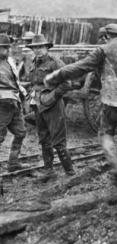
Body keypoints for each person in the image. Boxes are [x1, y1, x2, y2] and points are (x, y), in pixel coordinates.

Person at [44, 24, 117, 191]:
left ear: (107, 36)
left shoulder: (103, 50)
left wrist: (54, 76)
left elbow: (79, 67)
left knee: (105, 134)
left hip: (114, 103)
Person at [28, 34, 75, 182]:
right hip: (39, 106)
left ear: (47, 48)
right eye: (35, 47)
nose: (38, 50)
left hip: (53, 106)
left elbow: (67, 83)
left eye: (40, 47)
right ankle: (49, 171)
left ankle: (70, 173)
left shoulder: (55, 62)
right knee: (43, 139)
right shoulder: (34, 63)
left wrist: (52, 96)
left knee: (58, 141)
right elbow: (35, 84)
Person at [0, 34, 27, 172]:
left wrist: (23, 93)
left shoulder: (10, 61)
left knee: (20, 132)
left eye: (6, 48)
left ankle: (13, 162)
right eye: (2, 48)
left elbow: (15, 81)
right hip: (1, 104)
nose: (5, 51)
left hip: (14, 102)